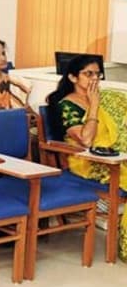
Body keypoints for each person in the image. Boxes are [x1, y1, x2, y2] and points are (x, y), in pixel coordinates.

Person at [46, 55, 125, 191]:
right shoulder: (67, 106)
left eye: (97, 74)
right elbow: (86, 140)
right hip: (90, 161)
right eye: (88, 74)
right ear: (73, 78)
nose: (95, 78)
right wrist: (94, 105)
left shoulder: (107, 97)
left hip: (117, 154)